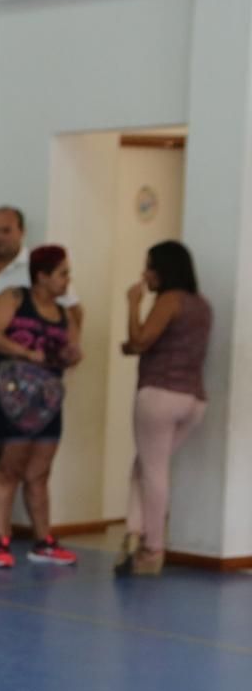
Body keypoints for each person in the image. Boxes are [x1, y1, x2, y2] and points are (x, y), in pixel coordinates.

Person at [0, 207, 76, 543]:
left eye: (5, 230)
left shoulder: (34, 273)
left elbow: (72, 317)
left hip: (40, 392)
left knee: (24, 464)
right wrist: (15, 353)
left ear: (20, 231)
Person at [0, 244, 82, 568]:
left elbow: (74, 349)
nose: (67, 280)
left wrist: (70, 355)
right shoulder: (14, 299)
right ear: (42, 276)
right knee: (8, 467)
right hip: (11, 396)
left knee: (39, 472)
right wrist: (25, 353)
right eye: (62, 273)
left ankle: (43, 542)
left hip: (47, 400)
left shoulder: (65, 313)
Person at [117, 241, 210, 577]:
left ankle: (152, 548)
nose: (145, 274)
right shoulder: (201, 305)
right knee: (143, 466)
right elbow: (167, 343)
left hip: (159, 395)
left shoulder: (168, 300)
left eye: (150, 266)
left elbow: (141, 340)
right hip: (194, 400)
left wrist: (132, 304)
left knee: (153, 471)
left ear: (165, 269)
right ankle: (133, 532)